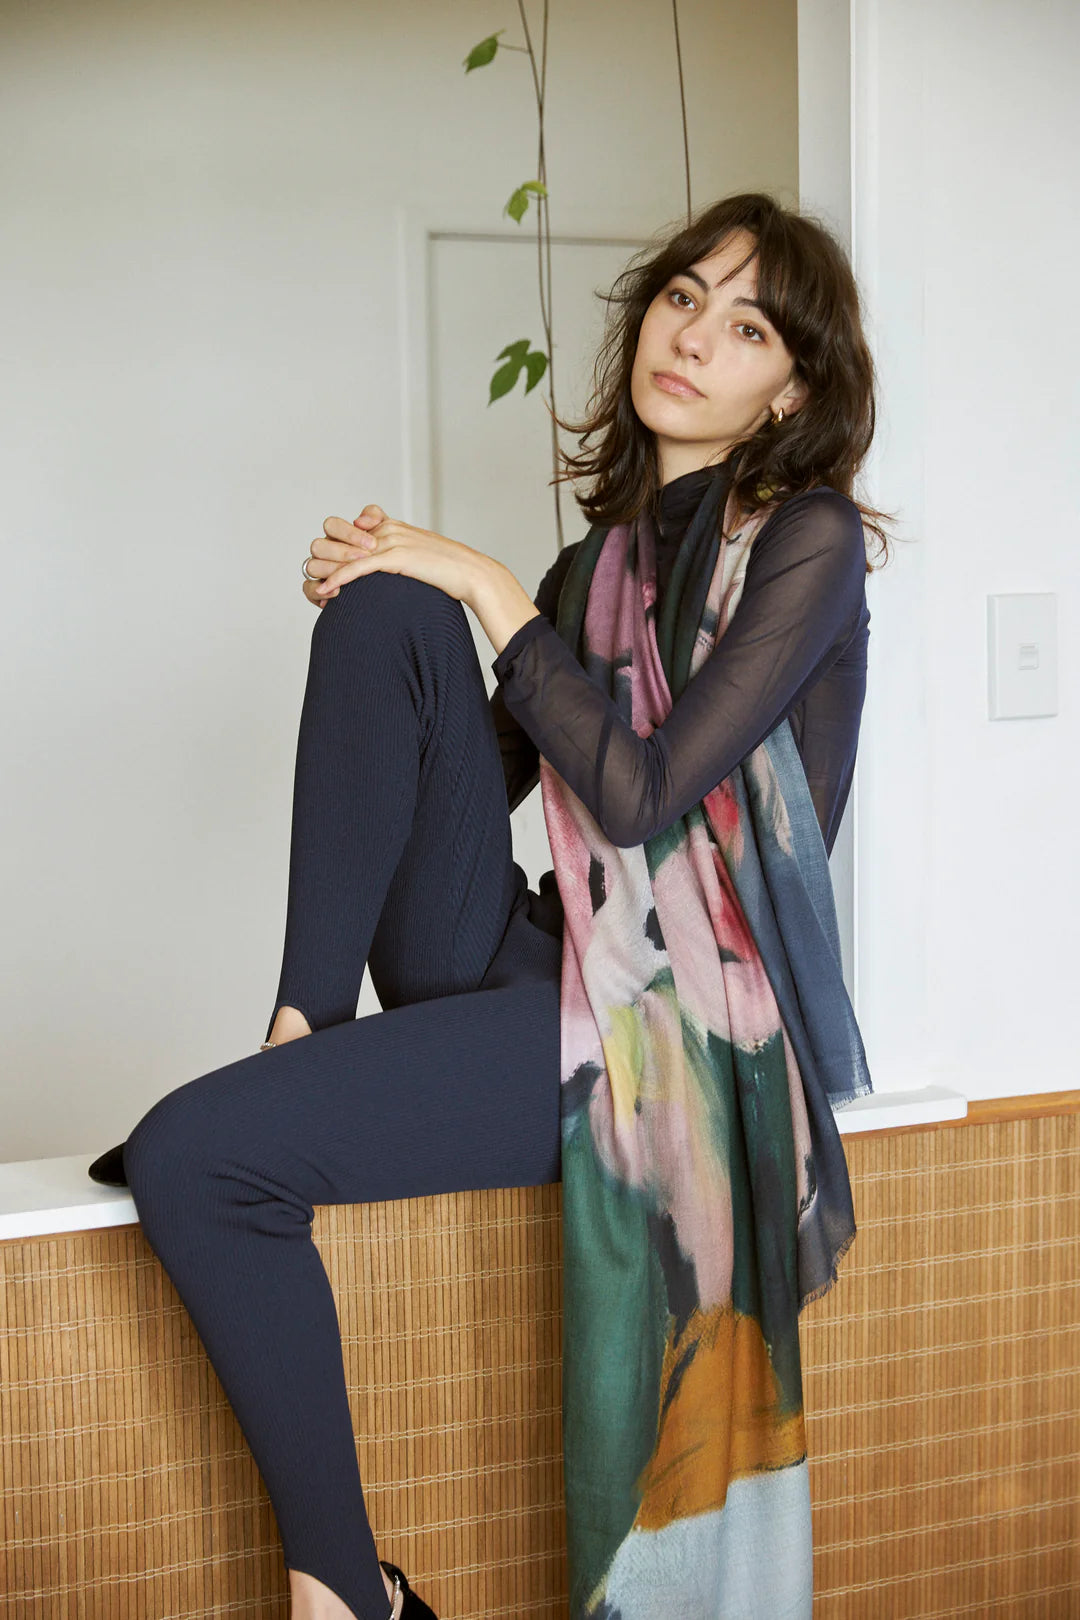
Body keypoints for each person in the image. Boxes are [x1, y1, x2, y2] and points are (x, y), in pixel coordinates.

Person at [88, 191, 891, 1620]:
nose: (694, 337)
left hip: (690, 1041)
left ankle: (346, 1599)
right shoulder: (600, 574)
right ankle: (299, 1021)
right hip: (559, 965)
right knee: (388, 617)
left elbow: (641, 798)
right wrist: (406, 593)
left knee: (197, 1159)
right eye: (682, 298)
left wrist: (484, 581)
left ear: (794, 389)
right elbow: (464, 775)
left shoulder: (808, 544)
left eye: (747, 324)